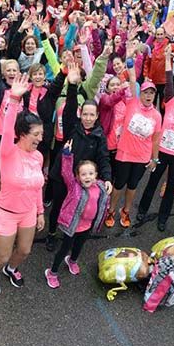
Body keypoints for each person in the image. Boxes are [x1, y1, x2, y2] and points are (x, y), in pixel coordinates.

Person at [0, 74, 45, 296]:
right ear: (22, 135)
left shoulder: (38, 157)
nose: (40, 137)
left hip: (28, 212)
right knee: (1, 255)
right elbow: (8, 127)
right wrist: (13, 99)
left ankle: (11, 269)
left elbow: (37, 187)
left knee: (24, 250)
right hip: (6, 213)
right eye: (36, 134)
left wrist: (39, 212)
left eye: (42, 133)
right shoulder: (8, 152)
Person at [48, 61, 112, 247]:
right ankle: (52, 233)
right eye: (85, 114)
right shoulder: (72, 126)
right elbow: (69, 106)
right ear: (81, 114)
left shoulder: (99, 135)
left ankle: (71, 232)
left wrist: (107, 177)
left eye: (92, 115)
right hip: (61, 175)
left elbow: (104, 158)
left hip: (81, 179)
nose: (88, 118)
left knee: (76, 206)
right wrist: (73, 84)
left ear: (97, 116)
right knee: (58, 205)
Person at [137, 48, 174, 231]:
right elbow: (169, 79)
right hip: (162, 151)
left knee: (170, 187)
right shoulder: (169, 102)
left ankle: (163, 218)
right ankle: (142, 210)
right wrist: (169, 59)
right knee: (152, 182)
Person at [43, 140, 108, 289]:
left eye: (91, 173)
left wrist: (109, 181)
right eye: (83, 174)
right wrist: (66, 154)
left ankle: (72, 261)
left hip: (87, 225)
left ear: (96, 176)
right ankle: (52, 272)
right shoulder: (74, 186)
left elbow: (104, 201)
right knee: (65, 248)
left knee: (79, 246)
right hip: (73, 225)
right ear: (77, 177)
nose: (87, 177)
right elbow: (66, 172)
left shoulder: (100, 187)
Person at [104, 78, 162, 229]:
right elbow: (131, 78)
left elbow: (156, 140)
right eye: (145, 92)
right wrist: (130, 62)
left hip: (142, 157)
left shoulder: (156, 115)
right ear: (140, 93)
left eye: (151, 93)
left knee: (133, 185)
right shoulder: (131, 103)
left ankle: (126, 210)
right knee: (119, 184)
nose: (148, 96)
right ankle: (111, 211)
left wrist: (155, 159)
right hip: (124, 153)